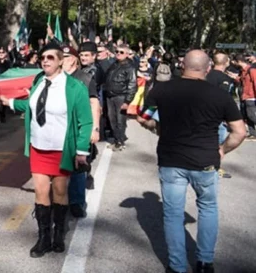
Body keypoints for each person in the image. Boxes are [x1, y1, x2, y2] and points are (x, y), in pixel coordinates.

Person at [138, 50, 247, 273]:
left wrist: (158, 129)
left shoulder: (162, 89)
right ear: (207, 68)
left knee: (173, 214)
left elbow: (143, 117)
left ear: (182, 65)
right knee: (208, 208)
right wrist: (222, 150)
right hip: (206, 160)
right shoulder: (220, 95)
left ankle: (177, 266)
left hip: (171, 160)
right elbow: (240, 132)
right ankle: (205, 262)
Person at [0, 42, 92, 258]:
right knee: (41, 192)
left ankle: (59, 235)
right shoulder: (39, 80)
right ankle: (43, 238)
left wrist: (81, 151)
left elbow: (85, 122)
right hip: (38, 147)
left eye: (50, 57)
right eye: (43, 57)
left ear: (60, 61)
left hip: (61, 149)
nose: (45, 61)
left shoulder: (75, 88)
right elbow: (32, 104)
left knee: (59, 192)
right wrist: (10, 102)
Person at [62, 45, 101, 218]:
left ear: (73, 59)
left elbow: (94, 104)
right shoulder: (55, 77)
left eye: (65, 56)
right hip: (59, 128)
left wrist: (95, 128)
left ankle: (76, 202)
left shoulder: (85, 78)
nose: (61, 59)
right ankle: (59, 199)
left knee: (78, 165)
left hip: (79, 127)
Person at [104, 44, 137, 151]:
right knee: (111, 119)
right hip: (110, 96)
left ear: (127, 54)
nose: (118, 54)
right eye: (117, 51)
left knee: (120, 120)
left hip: (121, 97)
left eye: (121, 52)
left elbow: (132, 85)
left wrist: (127, 101)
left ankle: (120, 141)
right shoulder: (114, 65)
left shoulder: (130, 68)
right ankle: (116, 139)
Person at [0, 46, 12, 123]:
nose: (1, 54)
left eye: (2, 52)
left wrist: (10, 51)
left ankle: (3, 115)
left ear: (5, 54)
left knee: (3, 100)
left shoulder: (8, 63)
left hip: (5, 83)